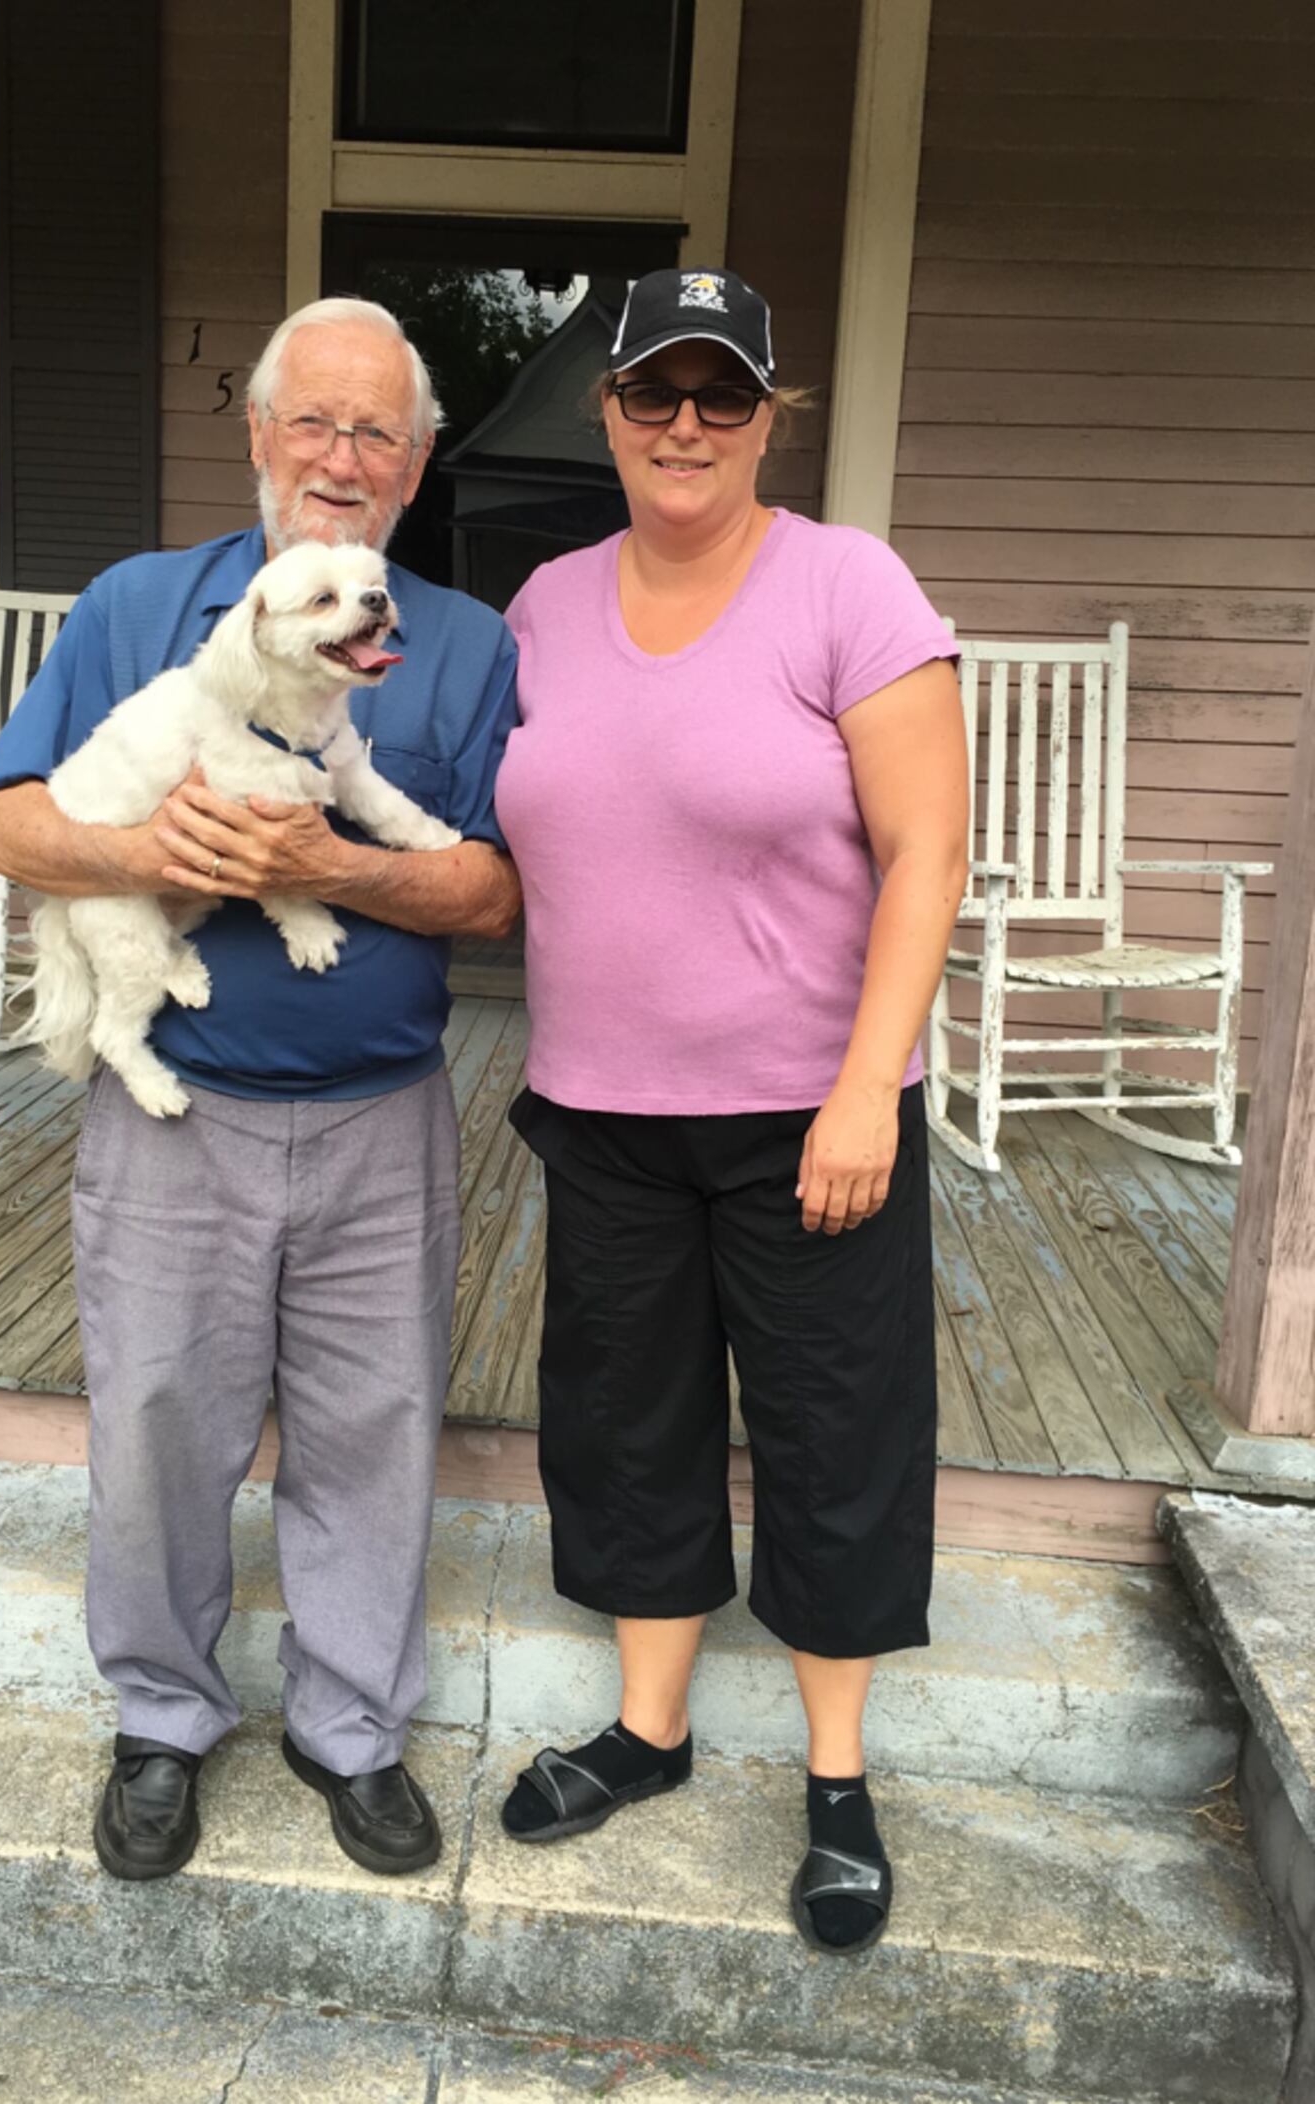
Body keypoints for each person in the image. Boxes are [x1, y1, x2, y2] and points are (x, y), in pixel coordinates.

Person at [0, 297, 521, 1882]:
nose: (342, 461)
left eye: (379, 436)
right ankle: (161, 1719)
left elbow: (491, 894)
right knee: (151, 1421)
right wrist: (147, 855)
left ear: (416, 467)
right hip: (174, 1114)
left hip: (381, 1108)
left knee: (377, 1426)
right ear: (262, 438)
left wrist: (327, 863)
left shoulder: (462, 643)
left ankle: (352, 1731)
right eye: (315, 425)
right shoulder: (142, 607)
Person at [490, 267, 968, 1956]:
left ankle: (837, 1778)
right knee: (628, 1427)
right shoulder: (541, 604)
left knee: (832, 1440)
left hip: (805, 1119)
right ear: (605, 412)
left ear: (773, 416)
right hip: (602, 1107)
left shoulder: (850, 586)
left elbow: (929, 858)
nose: (685, 424)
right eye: (652, 394)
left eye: (723, 395)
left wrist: (865, 1092)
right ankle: (653, 1731)